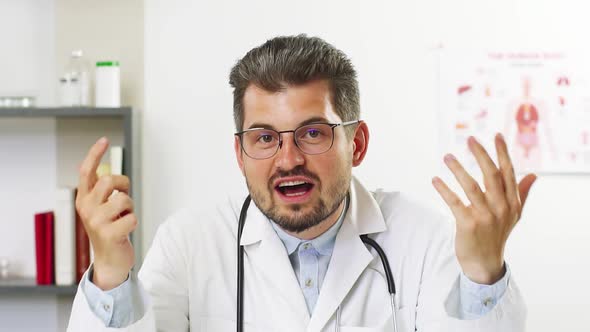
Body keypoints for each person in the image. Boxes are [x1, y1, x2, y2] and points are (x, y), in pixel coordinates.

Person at [67, 35, 536, 332]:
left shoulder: (425, 239)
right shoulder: (189, 243)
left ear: (357, 143)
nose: (287, 159)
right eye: (264, 137)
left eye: (313, 133)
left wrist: (480, 272)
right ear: (240, 154)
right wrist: (110, 274)